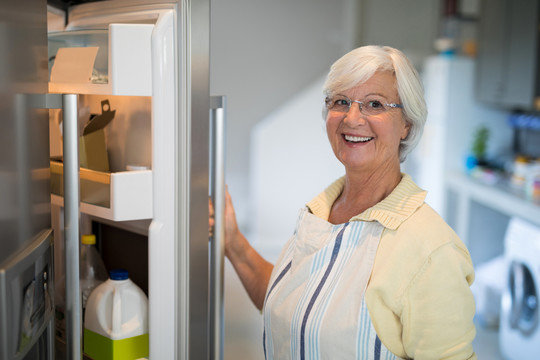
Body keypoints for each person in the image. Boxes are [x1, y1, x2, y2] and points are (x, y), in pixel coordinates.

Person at [213, 45, 476, 359]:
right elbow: (297, 310)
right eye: (341, 102)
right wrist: (233, 242)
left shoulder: (432, 251)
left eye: (374, 104)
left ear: (406, 123)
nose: (352, 118)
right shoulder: (321, 212)